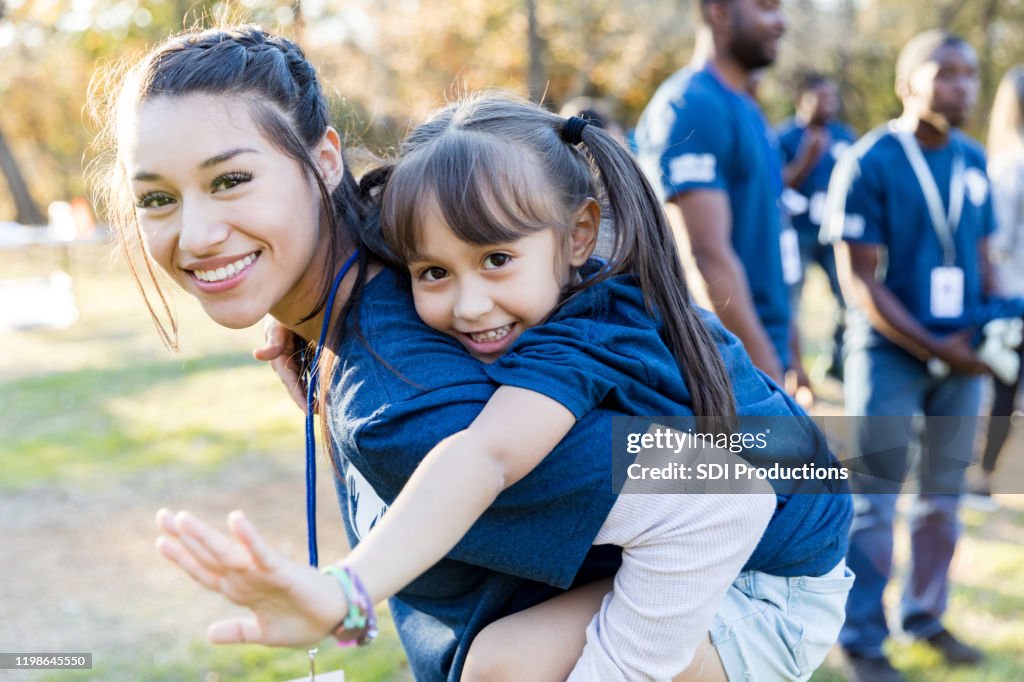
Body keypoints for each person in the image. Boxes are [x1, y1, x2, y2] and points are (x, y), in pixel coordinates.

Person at [91, 25, 851, 682]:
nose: (196, 234)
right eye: (156, 197)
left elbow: (724, 491)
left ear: (325, 160)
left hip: (762, 569)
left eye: (231, 180)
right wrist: (300, 324)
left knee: (500, 667)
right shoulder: (421, 241)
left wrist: (345, 593)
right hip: (779, 495)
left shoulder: (404, 400)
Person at [823, 29, 993, 682]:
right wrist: (932, 344)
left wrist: (994, 330)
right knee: (875, 500)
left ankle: (924, 617)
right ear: (906, 84)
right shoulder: (869, 161)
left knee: (943, 499)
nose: (962, 86)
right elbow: (859, 282)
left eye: (970, 73)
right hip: (889, 354)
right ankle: (861, 639)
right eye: (945, 72)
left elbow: (983, 258)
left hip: (963, 355)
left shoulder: (973, 159)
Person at [636, 0, 795, 387]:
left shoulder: (745, 105)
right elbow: (706, 255)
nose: (781, 22)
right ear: (719, 12)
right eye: (766, 7)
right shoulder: (692, 105)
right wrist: (764, 375)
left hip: (762, 349)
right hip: (726, 367)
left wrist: (790, 350)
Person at [968, 65, 1024, 502]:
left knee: (1002, 390)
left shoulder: (1008, 166)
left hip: (1011, 297)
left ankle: (983, 478)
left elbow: (996, 243)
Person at [777, 73, 857, 383]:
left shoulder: (844, 136)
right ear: (802, 99)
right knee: (792, 299)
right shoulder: (784, 137)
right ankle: (791, 366)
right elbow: (778, 185)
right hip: (797, 232)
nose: (829, 105)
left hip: (834, 232)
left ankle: (836, 360)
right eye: (821, 98)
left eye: (832, 98)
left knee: (848, 295)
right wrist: (806, 159)